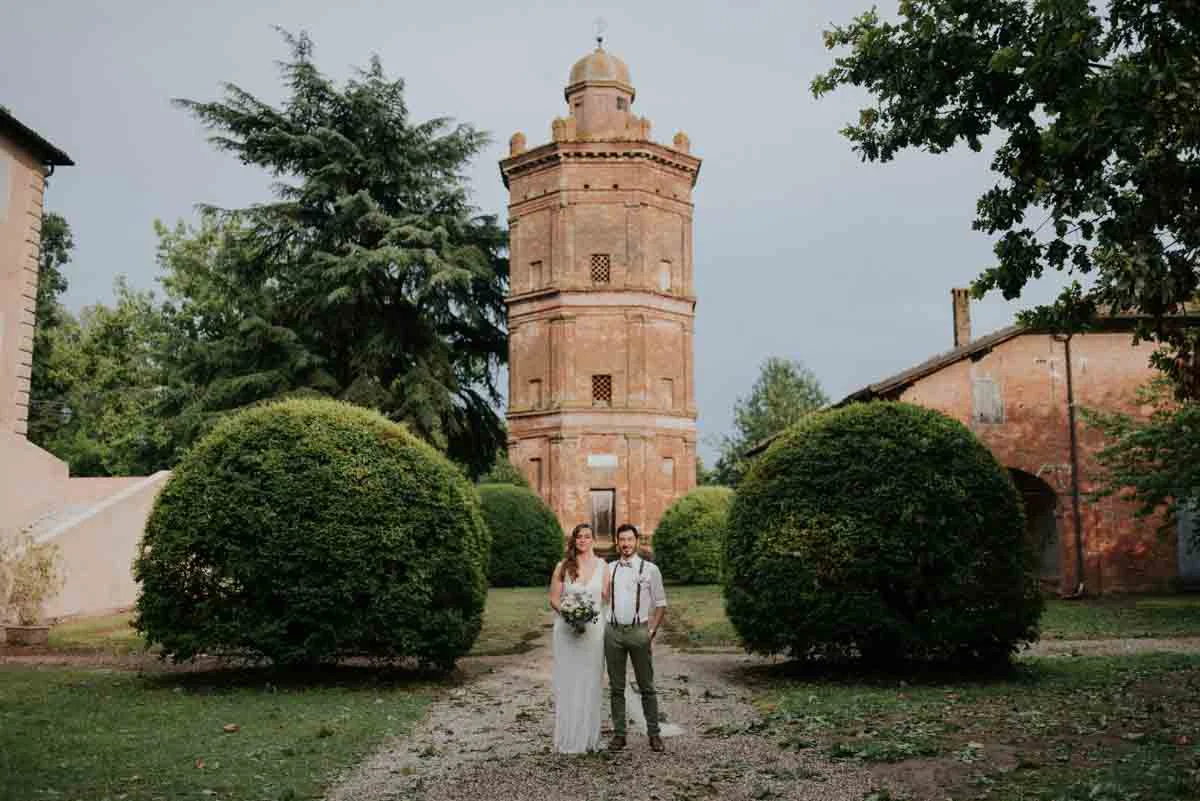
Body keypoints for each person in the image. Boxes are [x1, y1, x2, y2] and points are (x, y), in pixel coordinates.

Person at [604, 523, 668, 752]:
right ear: (617, 543)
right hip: (613, 632)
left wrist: (651, 631)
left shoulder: (650, 569)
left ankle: (654, 734)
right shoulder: (609, 569)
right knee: (616, 687)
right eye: (622, 540)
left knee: (646, 686)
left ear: (636, 541)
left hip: (639, 631)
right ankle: (619, 735)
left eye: (629, 539)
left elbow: (661, 604)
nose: (626, 544)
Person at [548, 522, 607, 753]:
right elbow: (554, 598)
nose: (583, 540)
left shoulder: (603, 566)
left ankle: (588, 738)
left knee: (590, 681)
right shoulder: (563, 566)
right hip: (566, 632)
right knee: (568, 681)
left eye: (587, 536)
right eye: (579, 537)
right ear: (574, 540)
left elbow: (606, 598)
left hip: (593, 632)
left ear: (593, 540)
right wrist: (570, 615)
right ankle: (568, 738)